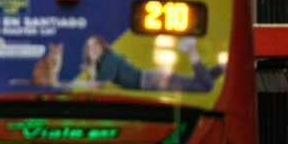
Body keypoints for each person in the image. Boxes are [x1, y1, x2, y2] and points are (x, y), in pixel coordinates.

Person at [81, 35, 225, 92]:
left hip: (153, 80)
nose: (93, 49)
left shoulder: (109, 58)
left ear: (102, 46)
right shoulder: (102, 61)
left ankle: (191, 48)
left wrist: (76, 84)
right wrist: (93, 61)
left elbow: (96, 84)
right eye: (90, 47)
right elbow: (95, 79)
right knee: (201, 83)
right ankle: (222, 66)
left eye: (95, 46)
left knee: (205, 87)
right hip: (153, 78)